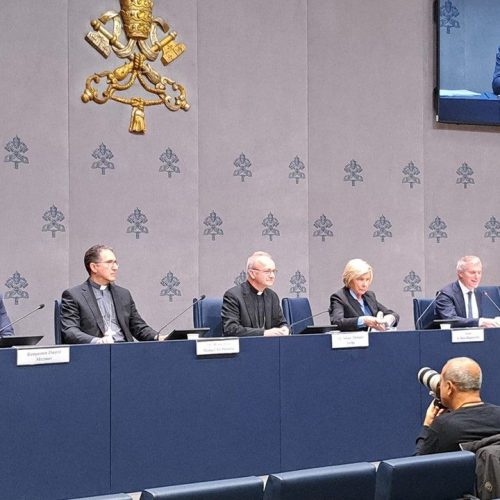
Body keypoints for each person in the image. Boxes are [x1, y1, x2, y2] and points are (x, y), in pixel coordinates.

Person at [61, 244, 160, 344]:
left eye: (115, 263)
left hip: (125, 349)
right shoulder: (74, 295)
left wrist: (158, 337)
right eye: (109, 262)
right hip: (97, 350)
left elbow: (138, 327)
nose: (115, 267)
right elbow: (70, 331)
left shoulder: (124, 294)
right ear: (94, 267)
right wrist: (98, 341)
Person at [416, 357, 500, 455]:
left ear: (449, 387)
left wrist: (427, 426)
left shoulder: (443, 426)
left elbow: (418, 462)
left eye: (441, 382)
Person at [222, 251, 289, 337]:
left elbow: (281, 322)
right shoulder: (234, 296)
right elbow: (231, 329)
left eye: (274, 271)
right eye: (267, 271)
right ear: (252, 273)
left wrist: (285, 329)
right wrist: (264, 333)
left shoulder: (272, 296)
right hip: (245, 344)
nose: (272, 276)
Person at [329, 258, 399, 331]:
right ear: (349, 279)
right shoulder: (339, 297)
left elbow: (394, 314)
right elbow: (337, 322)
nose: (365, 284)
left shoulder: (369, 296)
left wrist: (387, 320)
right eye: (360, 279)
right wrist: (364, 321)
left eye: (367, 279)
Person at [435, 255, 500, 328]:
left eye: (479, 273)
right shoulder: (446, 294)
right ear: (460, 273)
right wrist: (481, 322)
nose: (477, 277)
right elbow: (450, 320)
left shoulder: (481, 293)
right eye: (472, 272)